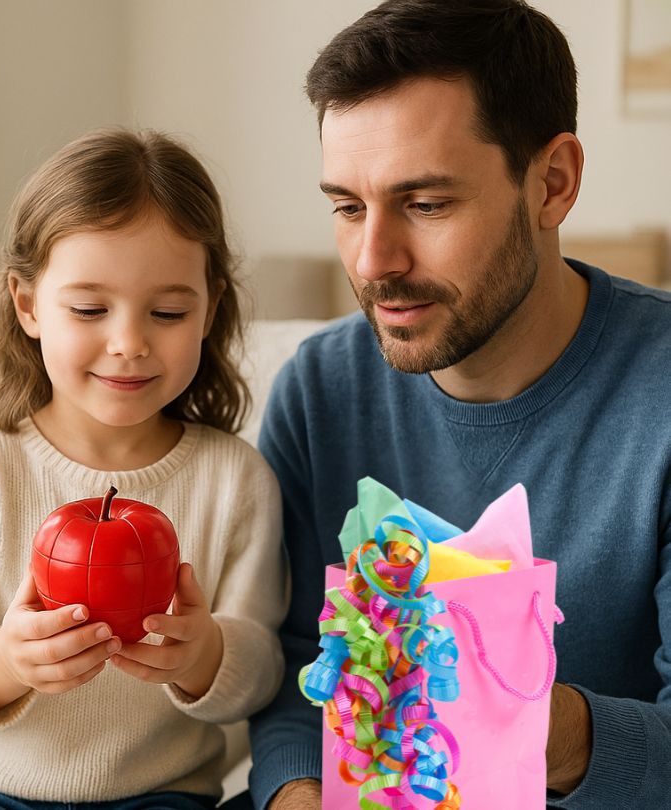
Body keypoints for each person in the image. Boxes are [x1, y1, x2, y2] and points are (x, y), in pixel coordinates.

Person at [247, 1, 671, 809]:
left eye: (427, 204)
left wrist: (530, 724)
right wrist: (299, 795)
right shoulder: (319, 391)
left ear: (553, 184)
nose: (374, 260)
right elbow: (290, 676)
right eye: (346, 206)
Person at [0, 127, 286, 809]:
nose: (128, 343)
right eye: (90, 309)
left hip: (162, 794)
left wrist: (204, 656)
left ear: (210, 307)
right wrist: (5, 662)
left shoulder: (235, 480)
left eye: (167, 311)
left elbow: (264, 667)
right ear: (28, 304)